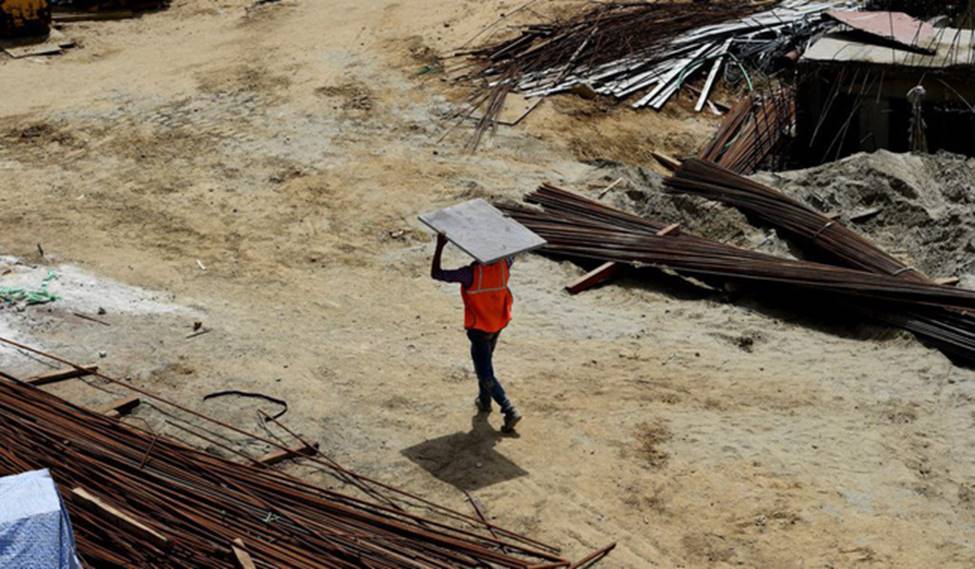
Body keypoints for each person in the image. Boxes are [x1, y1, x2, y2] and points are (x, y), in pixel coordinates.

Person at [431, 233, 522, 433]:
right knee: (486, 362)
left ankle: (509, 409)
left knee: (484, 371)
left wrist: (440, 246)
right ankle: (484, 401)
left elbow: (436, 273)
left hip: (479, 328)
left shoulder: (470, 274)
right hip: (498, 324)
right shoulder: (503, 266)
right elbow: (513, 252)